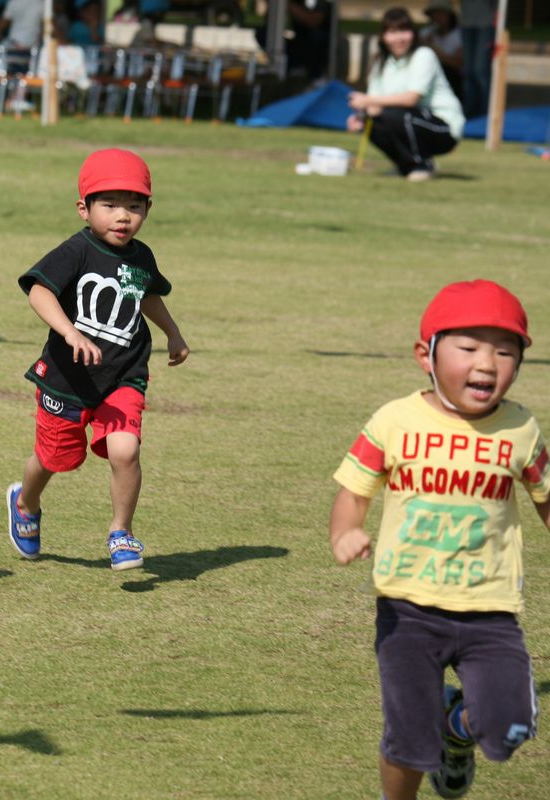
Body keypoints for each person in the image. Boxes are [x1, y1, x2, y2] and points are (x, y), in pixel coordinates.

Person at [329, 279, 549, 800]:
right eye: (468, 347)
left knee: (510, 727)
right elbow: (354, 489)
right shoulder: (396, 420)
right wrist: (346, 530)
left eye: (505, 351)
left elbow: (544, 497)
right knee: (408, 739)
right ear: (424, 355)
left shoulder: (521, 429)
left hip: (490, 612)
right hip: (407, 610)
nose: (488, 363)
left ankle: (459, 729)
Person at [7, 149, 189, 572]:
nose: (122, 216)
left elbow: (146, 296)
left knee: (126, 450)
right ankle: (26, 502)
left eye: (134, 206)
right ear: (83, 208)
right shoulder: (77, 250)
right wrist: (70, 332)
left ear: (148, 209)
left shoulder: (140, 257)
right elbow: (38, 290)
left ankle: (121, 532)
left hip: (124, 375)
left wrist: (173, 333)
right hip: (67, 380)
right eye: (109, 205)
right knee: (55, 459)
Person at [347, 7, 464, 182]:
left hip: (442, 127)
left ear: (412, 33)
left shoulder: (423, 55)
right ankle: (405, 166)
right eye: (392, 32)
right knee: (372, 122)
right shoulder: (381, 63)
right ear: (384, 36)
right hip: (410, 119)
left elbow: (411, 99)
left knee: (397, 115)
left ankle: (422, 165)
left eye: (404, 30)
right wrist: (360, 117)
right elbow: (374, 107)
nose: (399, 38)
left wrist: (368, 100)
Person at [459, 0, 497, 118]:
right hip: (466, 23)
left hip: (485, 23)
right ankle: (469, 112)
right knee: (468, 71)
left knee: (480, 71)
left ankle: (485, 113)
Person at [421, 0, 463, 102]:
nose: (437, 17)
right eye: (434, 14)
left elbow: (458, 64)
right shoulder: (425, 33)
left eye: (441, 13)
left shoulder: (457, 35)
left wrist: (433, 49)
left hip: (452, 80)